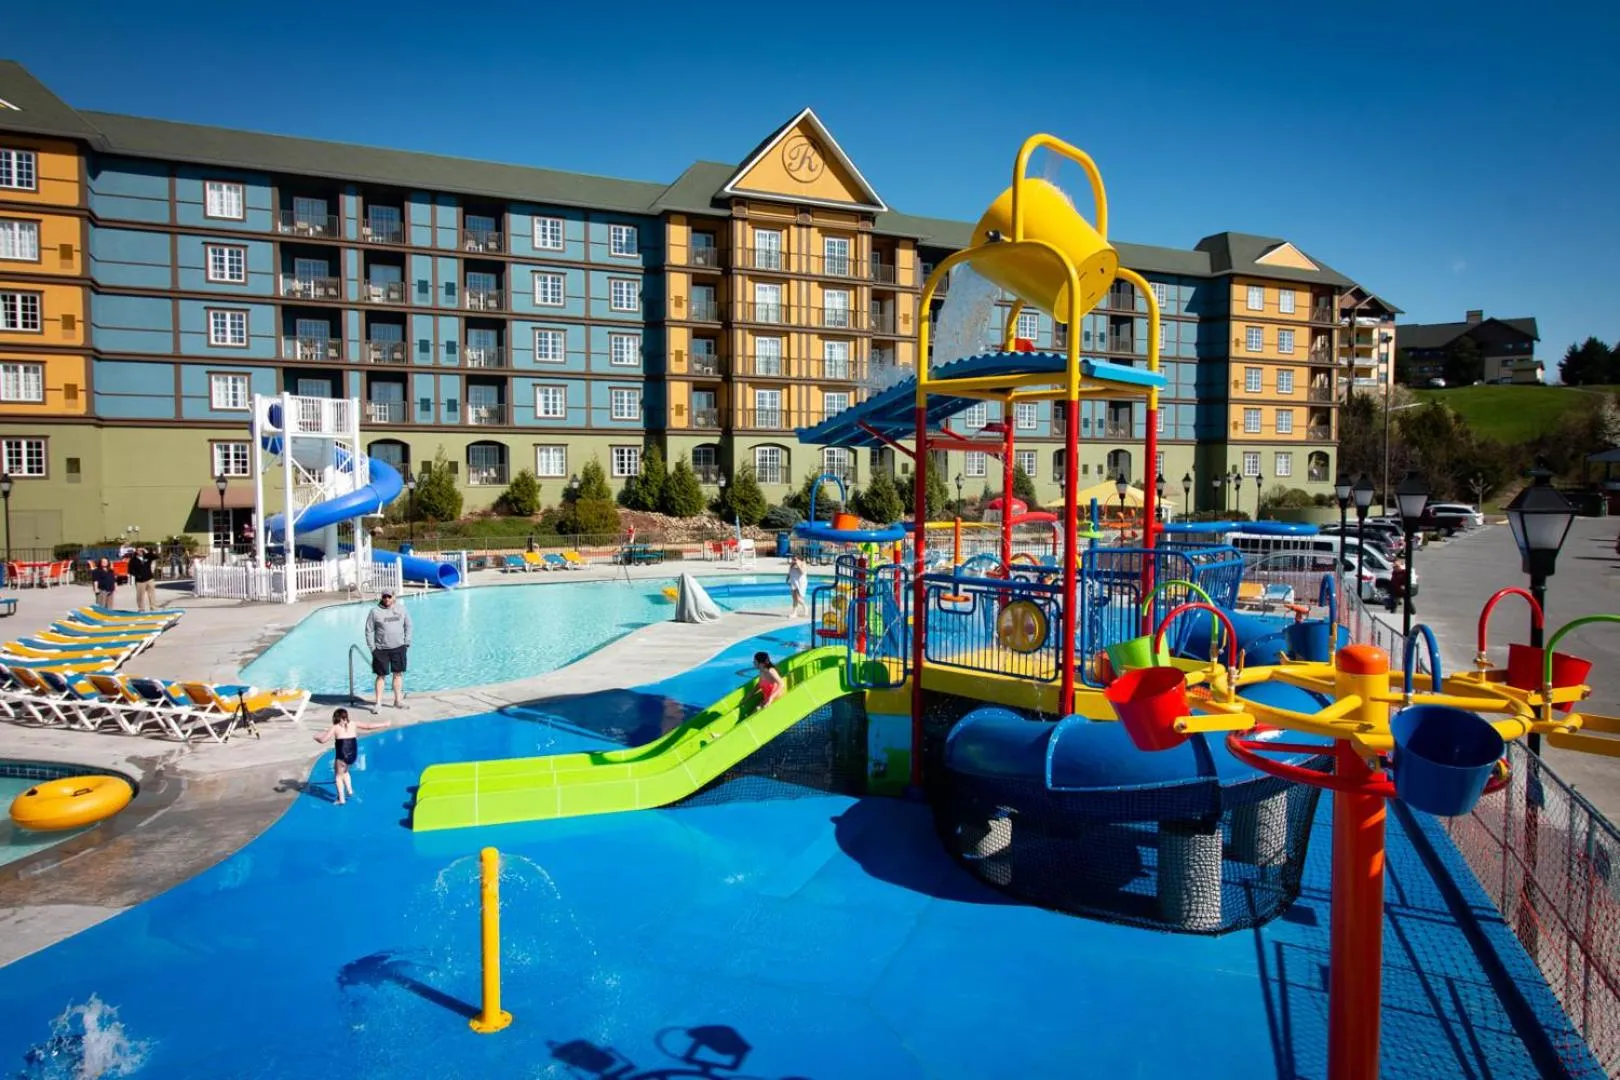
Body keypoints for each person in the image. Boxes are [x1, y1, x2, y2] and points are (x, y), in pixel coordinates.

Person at [312, 707, 390, 805]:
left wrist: (316, 737)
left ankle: (341, 799)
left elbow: (323, 740)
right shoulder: (353, 723)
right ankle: (350, 791)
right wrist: (384, 724)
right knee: (345, 772)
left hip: (342, 755)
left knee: (338, 777)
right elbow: (368, 726)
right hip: (353, 755)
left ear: (336, 718)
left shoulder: (335, 727)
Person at [364, 591, 413, 711]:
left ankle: (398, 701)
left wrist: (407, 642)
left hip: (399, 647)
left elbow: (409, 626)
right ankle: (378, 703)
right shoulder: (374, 612)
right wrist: (372, 648)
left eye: (389, 596)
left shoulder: (402, 609)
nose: (386, 598)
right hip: (381, 649)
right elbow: (368, 630)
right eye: (384, 596)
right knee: (380, 676)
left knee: (398, 674)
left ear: (394, 597)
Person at [127, 547, 157, 612]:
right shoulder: (133, 560)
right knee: (140, 596)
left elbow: (155, 556)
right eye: (139, 550)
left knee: (152, 595)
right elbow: (130, 570)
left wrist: (146, 551)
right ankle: (141, 609)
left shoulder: (147, 557)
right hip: (140, 581)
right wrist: (137, 575)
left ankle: (153, 608)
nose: (140, 551)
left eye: (141, 550)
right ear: (136, 551)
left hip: (149, 579)